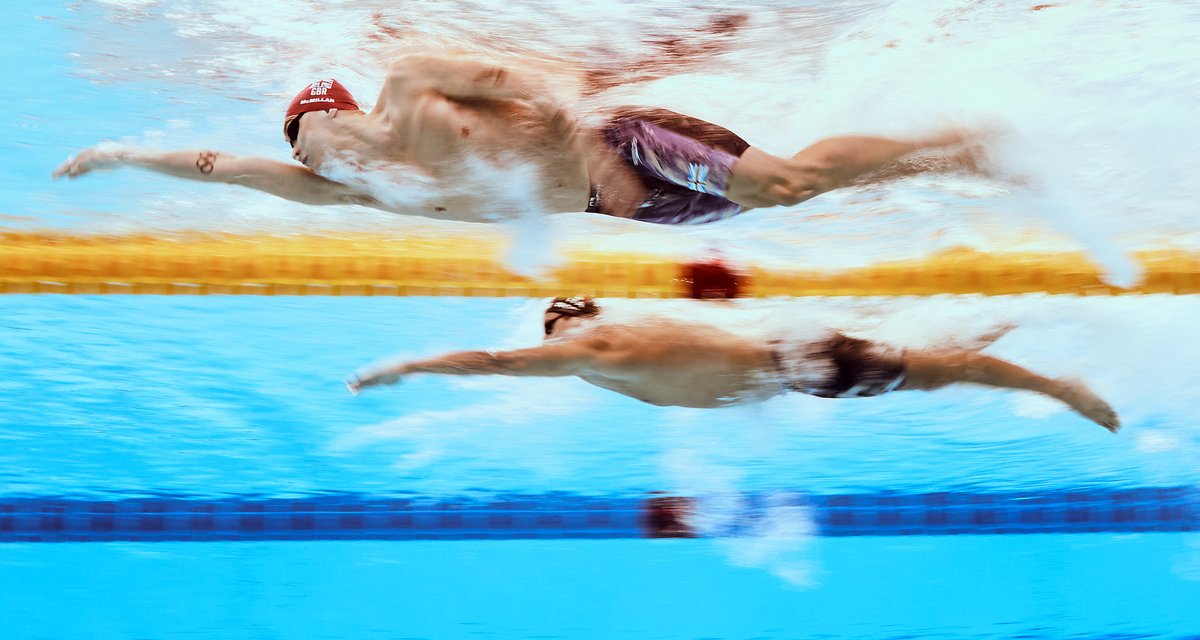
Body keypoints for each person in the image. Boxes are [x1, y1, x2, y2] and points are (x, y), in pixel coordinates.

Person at [52, 39, 983, 225]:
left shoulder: (415, 83)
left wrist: (597, 151)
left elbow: (532, 82)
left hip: (618, 149)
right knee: (799, 192)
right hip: (609, 209)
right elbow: (219, 169)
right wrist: (120, 154)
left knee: (787, 184)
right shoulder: (351, 185)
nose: (305, 155)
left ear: (340, 109)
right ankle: (953, 162)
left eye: (308, 133)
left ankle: (961, 137)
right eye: (297, 147)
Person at [346, 296, 1120, 432]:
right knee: (937, 356)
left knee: (947, 368)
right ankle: (1029, 305)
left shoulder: (593, 348)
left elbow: (492, 363)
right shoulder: (602, 350)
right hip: (798, 363)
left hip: (802, 364)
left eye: (553, 327)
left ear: (578, 323)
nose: (547, 342)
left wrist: (404, 369)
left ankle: (1060, 385)